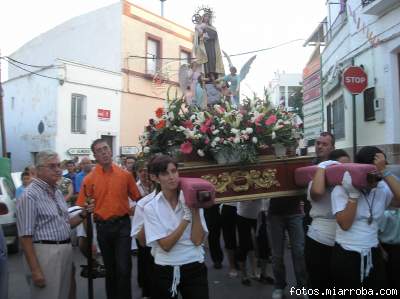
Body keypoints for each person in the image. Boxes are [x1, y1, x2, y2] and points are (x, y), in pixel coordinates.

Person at [16, 150, 93, 299]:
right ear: (39, 170)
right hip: (45, 253)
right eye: (52, 166)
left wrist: (84, 213)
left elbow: (64, 224)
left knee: (63, 294)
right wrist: (35, 270)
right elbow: (25, 237)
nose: (58, 169)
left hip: (64, 250)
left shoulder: (57, 192)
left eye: (58, 165)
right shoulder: (30, 195)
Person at [331, 147, 400, 297]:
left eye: (380, 172)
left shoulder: (381, 188)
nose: (378, 178)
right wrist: (353, 195)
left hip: (373, 252)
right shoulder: (341, 189)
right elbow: (345, 224)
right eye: (375, 173)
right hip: (347, 253)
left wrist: (386, 172)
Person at [76, 139, 141, 299]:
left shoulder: (125, 175)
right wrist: (87, 238)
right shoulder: (89, 179)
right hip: (103, 228)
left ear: (110, 151)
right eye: (99, 150)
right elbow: (83, 209)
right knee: (111, 271)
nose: (104, 152)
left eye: (105, 148)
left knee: (124, 268)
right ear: (95, 156)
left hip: (122, 226)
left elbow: (137, 199)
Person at [143, 155, 209, 299]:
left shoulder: (192, 198)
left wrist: (194, 209)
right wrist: (186, 218)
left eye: (174, 171)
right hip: (165, 268)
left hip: (194, 265)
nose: (172, 177)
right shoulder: (150, 207)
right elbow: (166, 245)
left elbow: (197, 240)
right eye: (165, 173)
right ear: (155, 178)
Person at [306, 149, 350, 298]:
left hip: (343, 242)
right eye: (341, 166)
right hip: (320, 240)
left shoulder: (349, 185)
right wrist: (323, 167)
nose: (346, 170)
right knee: (320, 289)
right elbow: (317, 193)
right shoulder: (316, 182)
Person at [267, 194, 307, 299]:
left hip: (294, 211)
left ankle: (302, 287)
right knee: (277, 255)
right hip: (275, 213)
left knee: (299, 252)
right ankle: (279, 286)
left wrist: (302, 202)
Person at [193, 11, 224, 78]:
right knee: (205, 59)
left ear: (210, 18)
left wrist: (207, 35)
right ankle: (208, 75)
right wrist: (200, 33)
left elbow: (214, 35)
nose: (206, 18)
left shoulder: (212, 27)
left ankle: (215, 75)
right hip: (204, 46)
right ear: (203, 17)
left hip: (212, 46)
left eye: (208, 17)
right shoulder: (200, 26)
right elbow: (198, 36)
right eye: (205, 16)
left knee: (213, 59)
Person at [220, 202, 238, 277]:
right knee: (229, 237)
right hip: (229, 205)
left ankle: (239, 263)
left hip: (246, 204)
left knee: (246, 236)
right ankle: (232, 266)